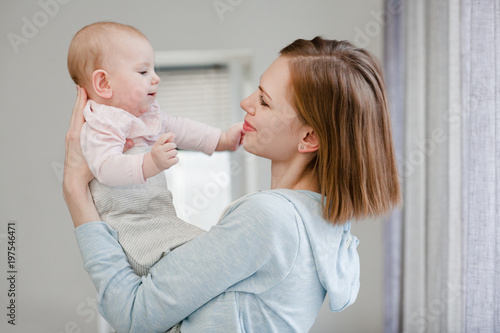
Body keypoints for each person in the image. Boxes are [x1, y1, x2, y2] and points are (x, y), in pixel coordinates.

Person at [63, 37, 401, 332]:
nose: (246, 103)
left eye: (265, 101)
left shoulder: (268, 218)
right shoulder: (323, 225)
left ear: (308, 137)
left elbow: (134, 314)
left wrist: (75, 191)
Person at [67, 22, 244, 275]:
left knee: (207, 246)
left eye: (153, 69)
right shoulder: (102, 122)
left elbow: (182, 129)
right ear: (104, 84)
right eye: (143, 72)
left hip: (160, 219)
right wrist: (150, 163)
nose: (156, 78)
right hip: (131, 230)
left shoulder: (147, 116)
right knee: (203, 255)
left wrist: (222, 139)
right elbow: (105, 168)